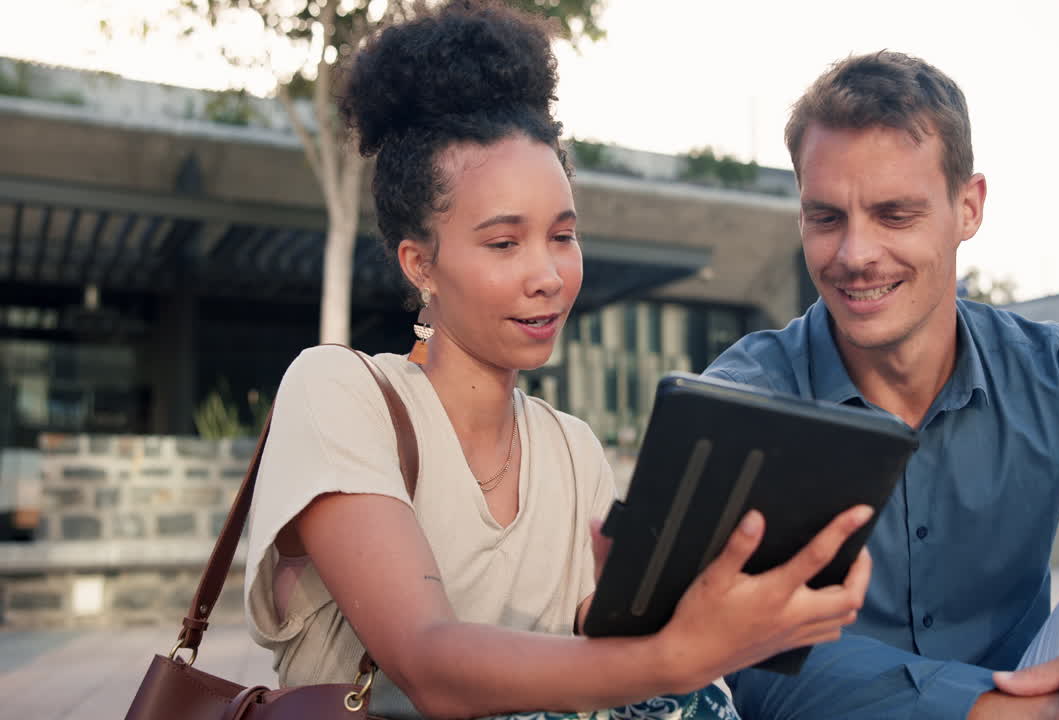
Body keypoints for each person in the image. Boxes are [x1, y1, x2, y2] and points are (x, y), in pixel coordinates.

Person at [242, 2, 874, 718]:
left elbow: (588, 657)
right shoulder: (339, 392)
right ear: (420, 262)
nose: (548, 275)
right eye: (504, 243)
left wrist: (678, 613)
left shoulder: (571, 448)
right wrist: (671, 656)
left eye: (563, 237)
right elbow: (428, 663)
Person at [705, 51, 1059, 720]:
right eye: (826, 217)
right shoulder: (747, 394)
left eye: (895, 215)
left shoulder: (1048, 373)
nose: (855, 255)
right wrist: (1021, 714)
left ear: (968, 208)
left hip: (1044, 694)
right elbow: (745, 654)